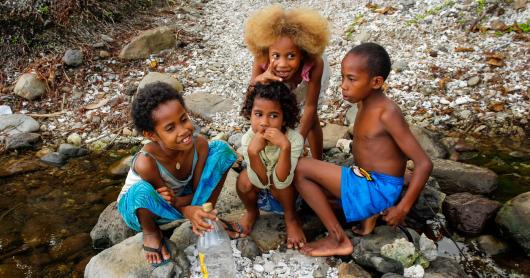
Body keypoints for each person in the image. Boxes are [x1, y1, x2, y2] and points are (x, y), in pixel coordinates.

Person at [294, 43, 433, 257]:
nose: (343, 86)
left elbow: (424, 163)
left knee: (300, 168)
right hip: (368, 180)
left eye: (351, 79)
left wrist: (402, 208)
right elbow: (385, 151)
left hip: (376, 188)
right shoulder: (363, 104)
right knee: (312, 195)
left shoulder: (387, 113)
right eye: (342, 78)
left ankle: (338, 238)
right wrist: (399, 174)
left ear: (376, 82)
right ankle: (369, 214)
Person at [117, 82, 236, 266]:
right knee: (141, 191)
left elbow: (199, 190)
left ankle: (206, 217)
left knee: (221, 150)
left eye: (183, 119)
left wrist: (196, 206)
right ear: (152, 135)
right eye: (170, 128)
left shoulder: (199, 145)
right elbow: (166, 203)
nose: (183, 130)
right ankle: (151, 233)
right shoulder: (146, 162)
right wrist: (186, 209)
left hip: (179, 199)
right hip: (147, 209)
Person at [244, 4, 330, 160]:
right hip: (277, 80)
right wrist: (259, 80)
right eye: (276, 56)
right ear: (267, 53)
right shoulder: (261, 60)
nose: (283, 64)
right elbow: (251, 95)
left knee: (312, 116)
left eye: (291, 56)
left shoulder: (315, 63)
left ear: (303, 53)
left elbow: (310, 106)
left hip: (308, 80)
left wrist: (296, 143)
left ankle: (319, 159)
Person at [234, 81, 306, 249]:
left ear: (284, 119)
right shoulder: (248, 139)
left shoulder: (294, 139)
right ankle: (252, 211)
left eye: (273, 116)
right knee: (243, 180)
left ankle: (291, 218)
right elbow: (260, 182)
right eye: (258, 114)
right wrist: (252, 153)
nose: (264, 122)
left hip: (286, 194)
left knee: (278, 182)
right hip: (261, 189)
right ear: (249, 114)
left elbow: (282, 181)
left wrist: (285, 147)